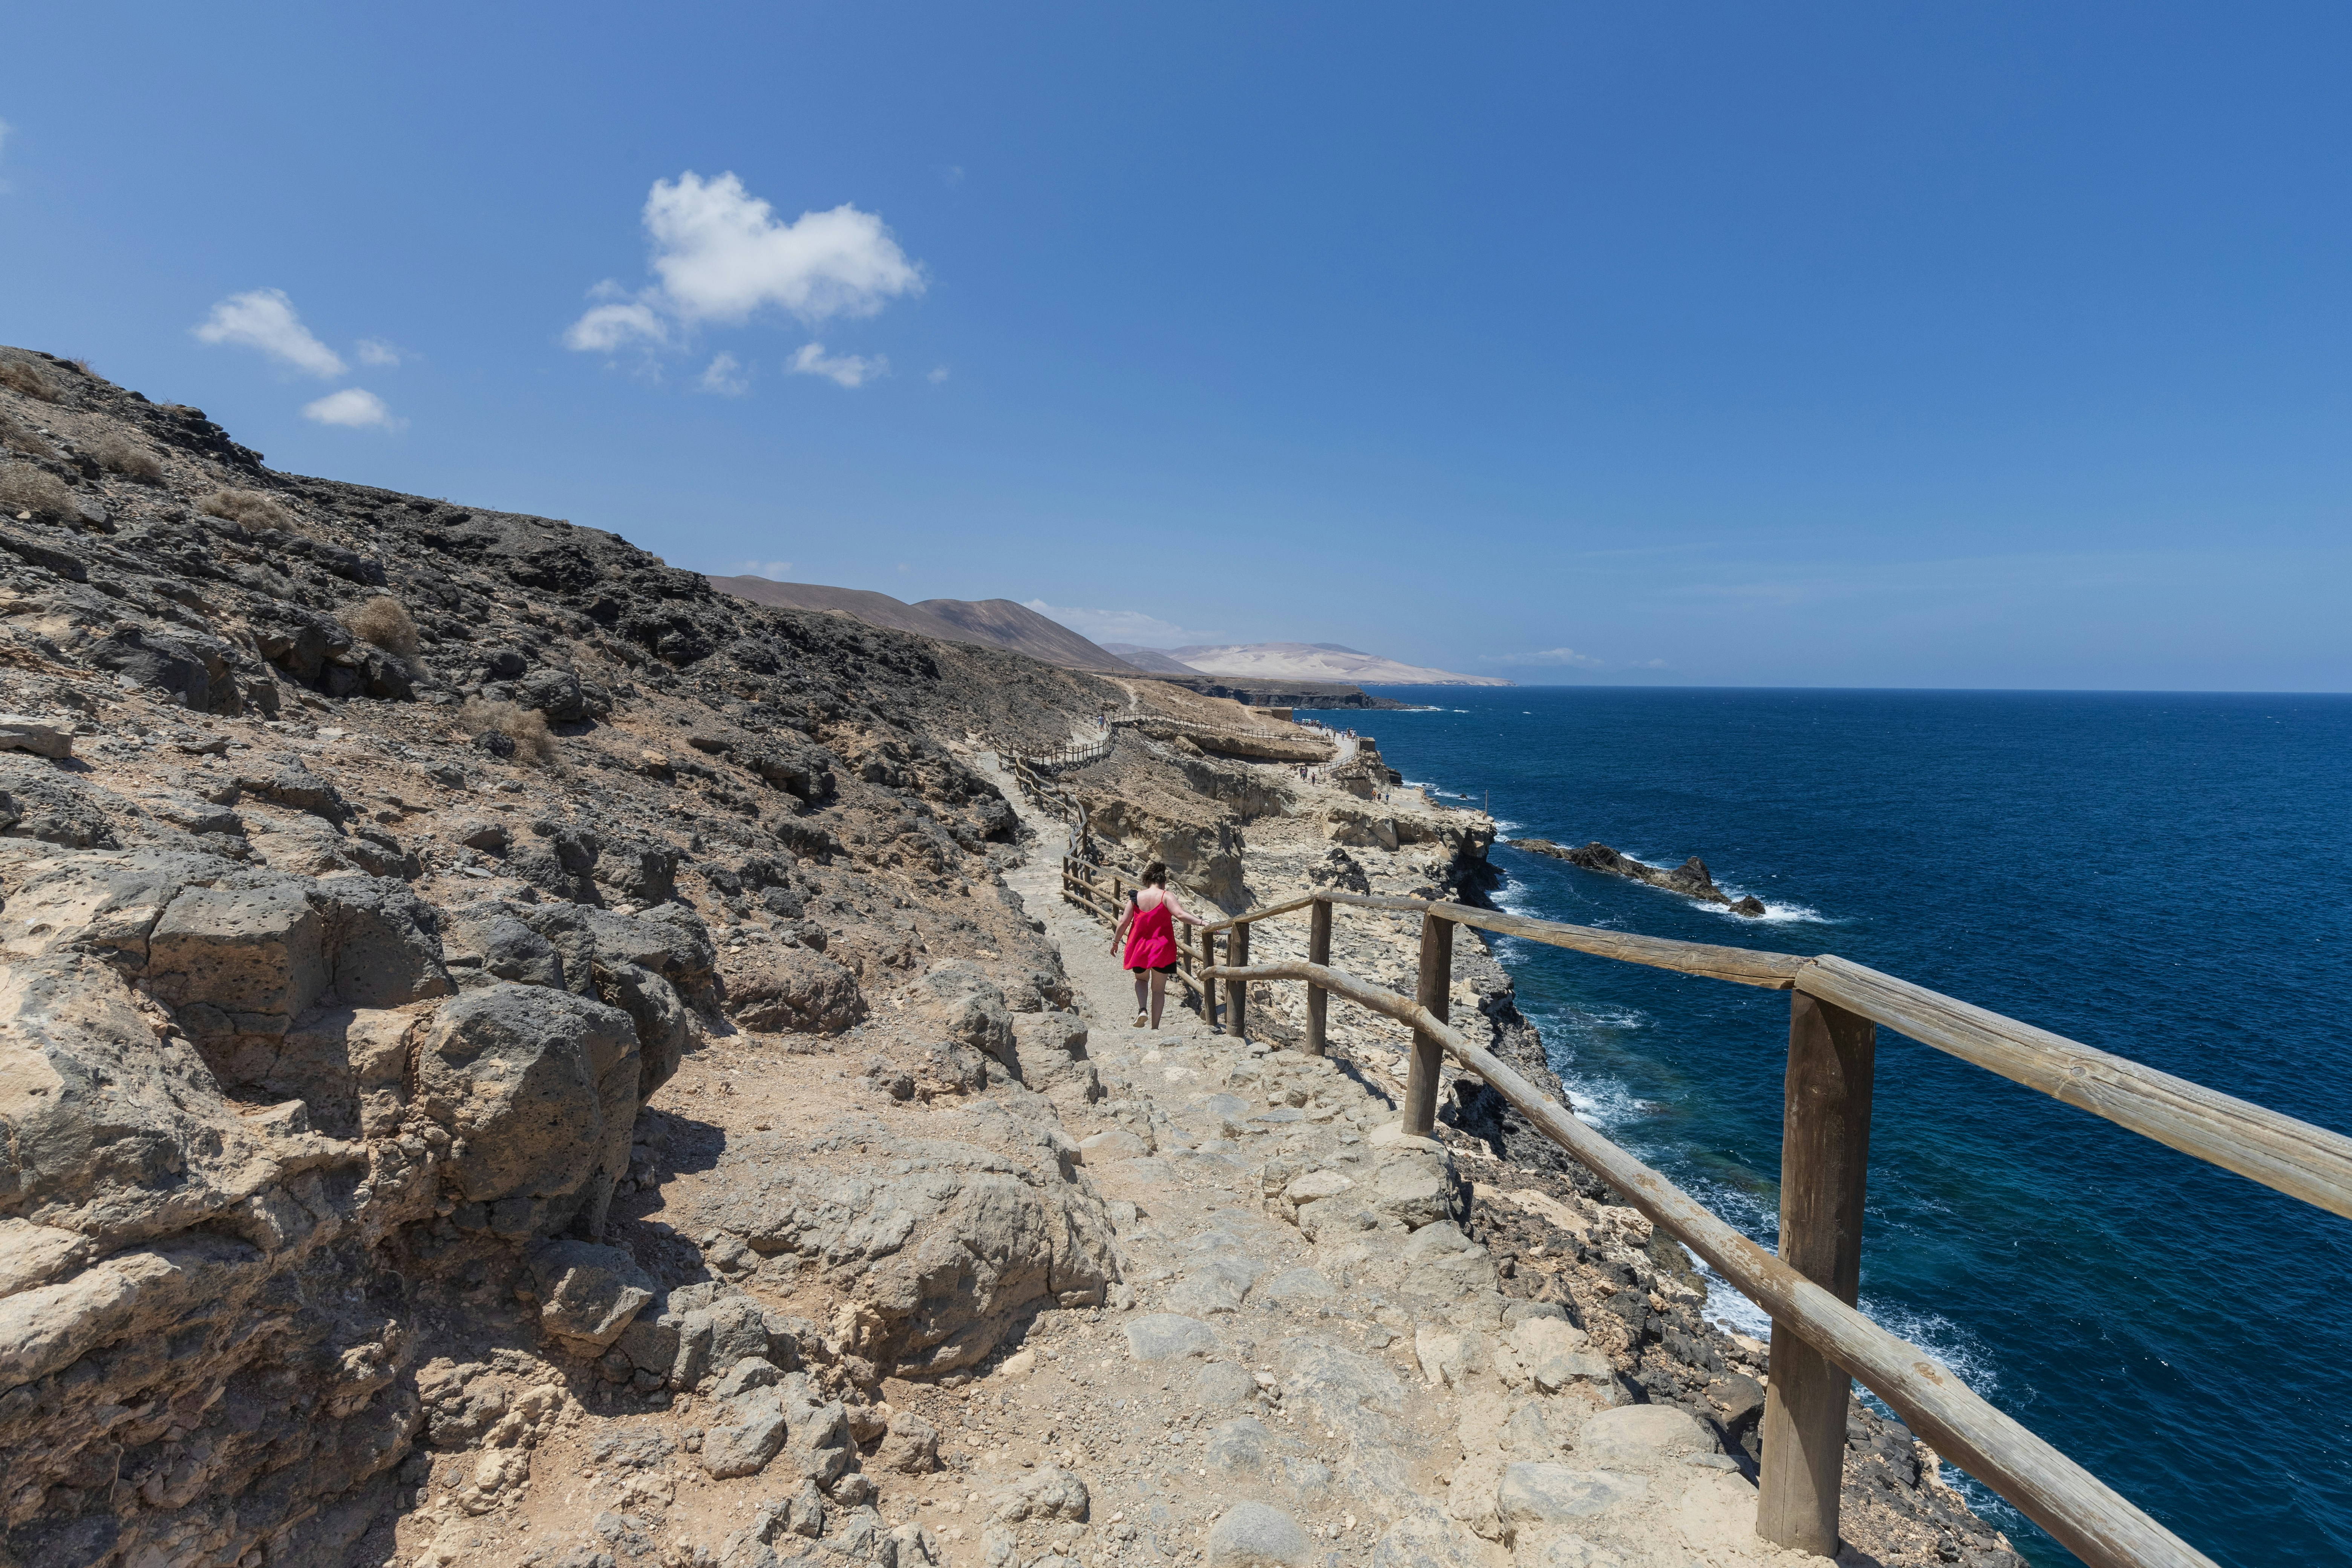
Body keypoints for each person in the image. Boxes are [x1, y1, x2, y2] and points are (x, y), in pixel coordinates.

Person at [1109, 861, 1204, 1029]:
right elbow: (1181, 915)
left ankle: (1143, 1010)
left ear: (1147, 880)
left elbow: (1124, 922)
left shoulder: (1136, 897)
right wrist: (1202, 923)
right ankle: (1155, 1028)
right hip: (1162, 949)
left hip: (1139, 947)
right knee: (1159, 990)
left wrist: (1116, 942)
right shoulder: (1166, 896)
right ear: (1163, 882)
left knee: (1141, 980)